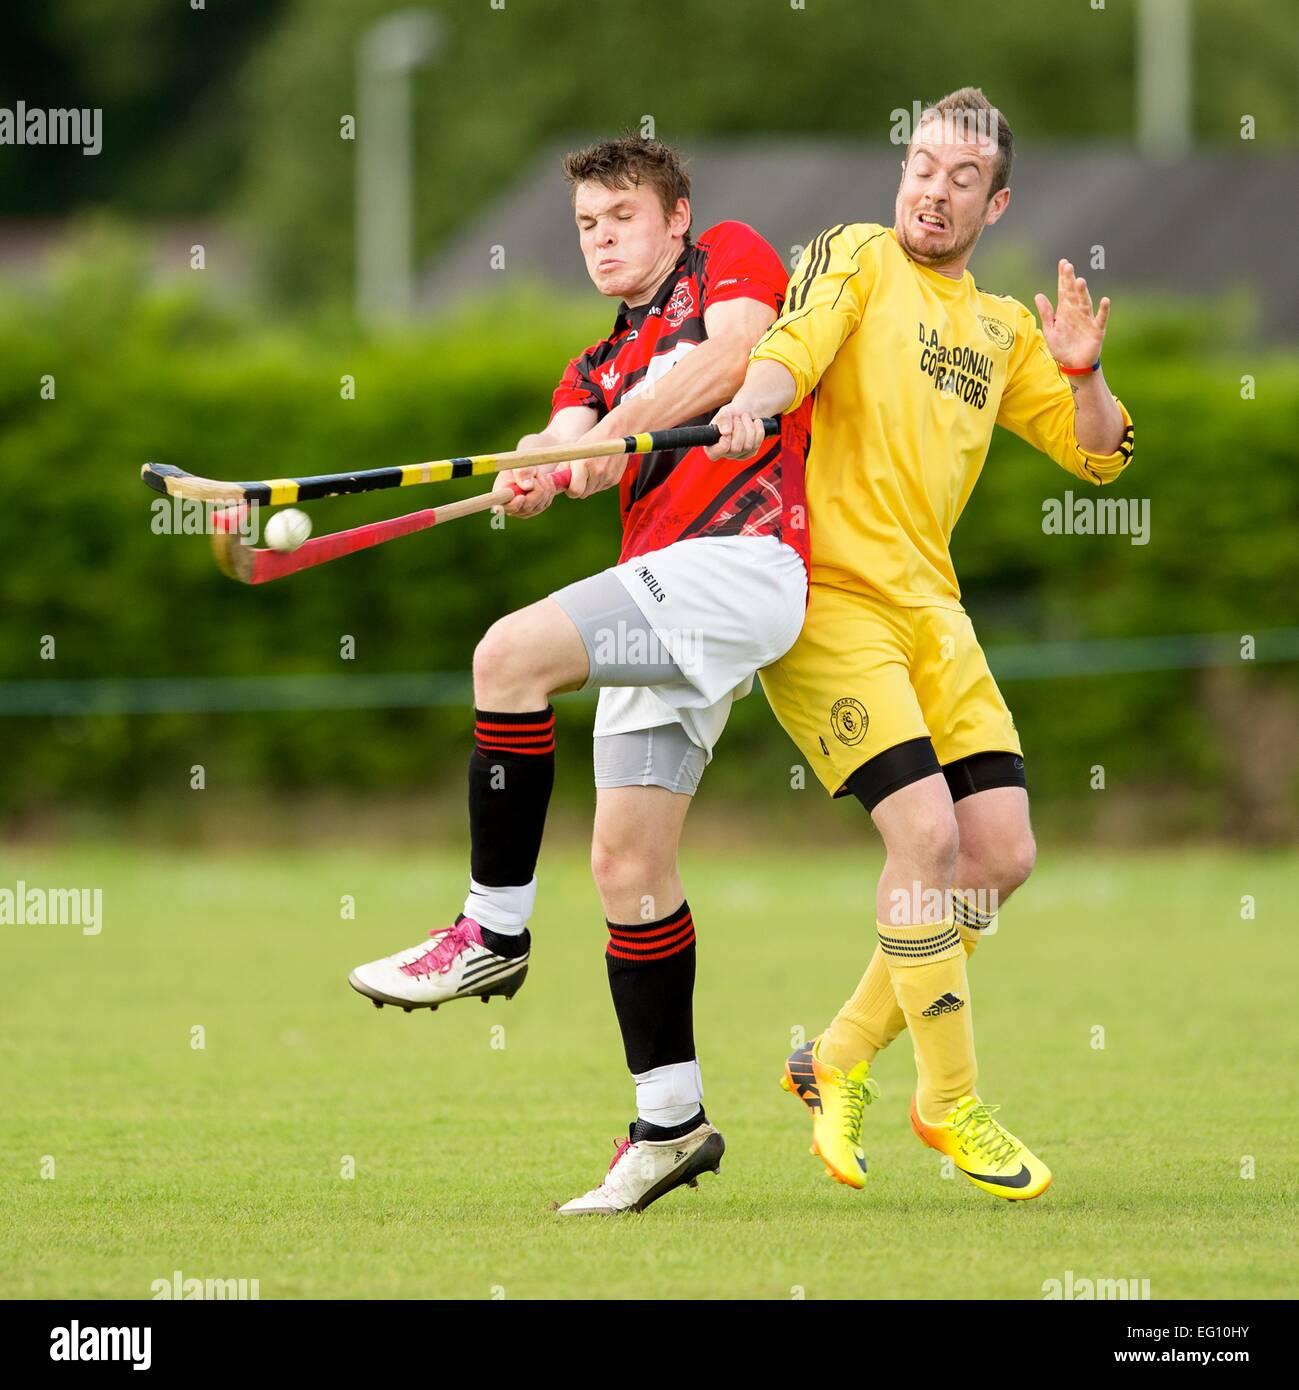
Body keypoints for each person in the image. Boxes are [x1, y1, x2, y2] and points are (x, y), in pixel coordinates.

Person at [348, 135, 811, 1214]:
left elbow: (738, 355)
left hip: (743, 566)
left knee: (506, 655)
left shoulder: (730, 261)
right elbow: (565, 433)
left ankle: (491, 930)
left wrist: (609, 433)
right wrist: (539, 469)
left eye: (622, 219)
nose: (602, 241)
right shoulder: (592, 365)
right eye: (587, 228)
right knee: (627, 865)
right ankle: (671, 1123)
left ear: (677, 216)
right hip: (664, 590)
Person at [708, 88, 1134, 1201]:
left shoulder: (1000, 330)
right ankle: (949, 1102)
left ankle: (837, 1056)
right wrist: (756, 396)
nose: (932, 191)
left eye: (960, 179)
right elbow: (792, 348)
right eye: (921, 166)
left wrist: (1084, 372)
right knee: (929, 840)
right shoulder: (854, 253)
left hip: (934, 618)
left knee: (1000, 859)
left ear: (996, 203)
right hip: (832, 605)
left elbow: (1099, 459)